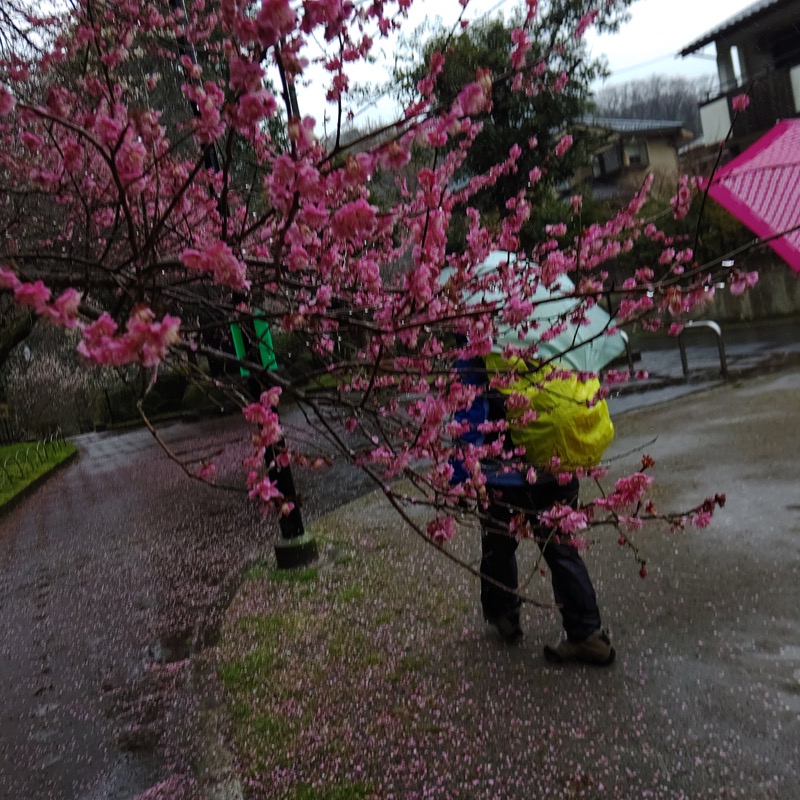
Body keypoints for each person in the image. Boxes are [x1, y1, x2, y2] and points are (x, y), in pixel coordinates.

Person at [451, 351, 615, 666]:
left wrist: (460, 478)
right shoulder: (561, 332)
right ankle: (587, 634)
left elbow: (467, 415)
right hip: (559, 464)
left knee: (498, 543)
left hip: (505, 474)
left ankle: (503, 615)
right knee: (562, 549)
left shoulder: (481, 345)